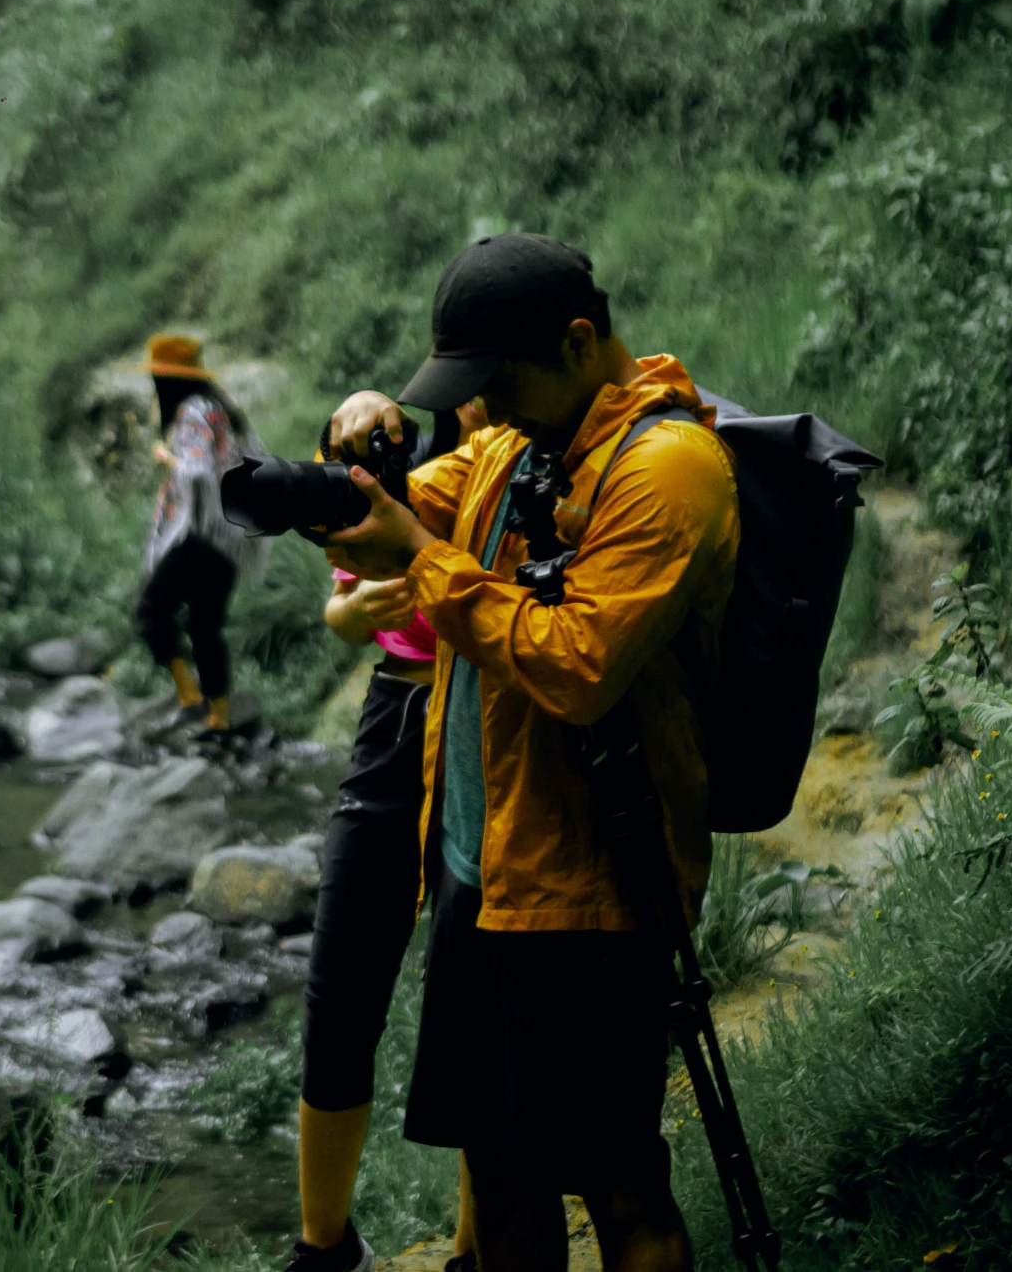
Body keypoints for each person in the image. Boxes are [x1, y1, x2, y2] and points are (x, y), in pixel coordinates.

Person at [321, 234, 741, 1272]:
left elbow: (578, 664)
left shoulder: (670, 469)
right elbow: (393, 517)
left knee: (619, 1189)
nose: (484, 407)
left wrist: (421, 564)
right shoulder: (518, 445)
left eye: (495, 380)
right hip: (482, 869)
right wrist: (327, 476)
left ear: (578, 341)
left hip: (592, 888)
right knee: (499, 1175)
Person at [292, 401, 486, 1272]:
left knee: (477, 987)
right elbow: (340, 613)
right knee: (339, 980)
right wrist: (366, 601)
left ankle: (477, 1248)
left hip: (492, 713)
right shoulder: (403, 467)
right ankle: (324, 1246)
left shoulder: (519, 463)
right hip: (400, 706)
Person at [135, 333, 264, 731]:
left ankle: (190, 696)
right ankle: (219, 719)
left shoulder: (193, 411)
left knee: (151, 611)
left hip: (202, 534)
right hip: (230, 535)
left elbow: (197, 468)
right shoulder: (223, 411)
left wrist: (165, 456)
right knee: (204, 626)